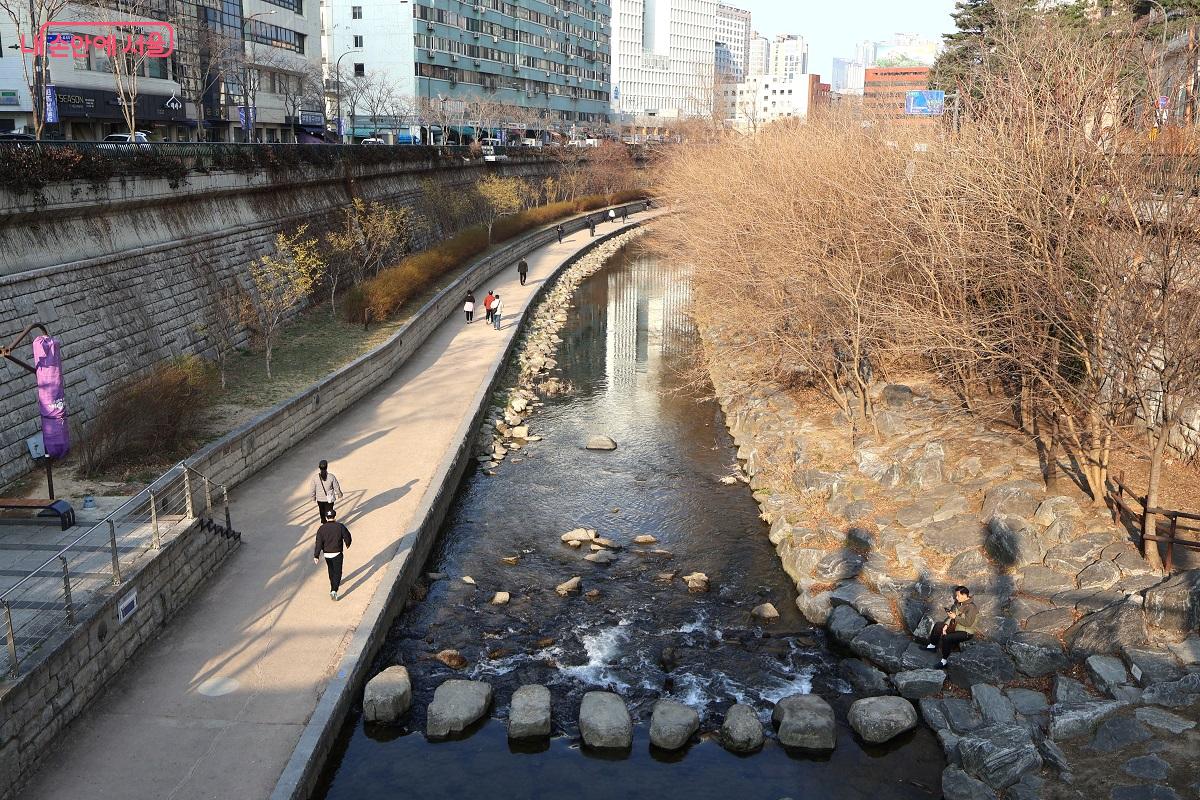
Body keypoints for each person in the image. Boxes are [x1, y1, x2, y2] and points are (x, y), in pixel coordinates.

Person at [926, 585, 978, 666]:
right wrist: (946, 625)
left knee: (947, 638)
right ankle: (932, 646)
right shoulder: (958, 603)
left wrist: (955, 617)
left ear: (964, 595)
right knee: (938, 625)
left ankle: (944, 661)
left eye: (958, 596)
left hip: (966, 632)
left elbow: (968, 623)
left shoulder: (972, 607)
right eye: (956, 595)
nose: (956, 598)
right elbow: (951, 616)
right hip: (955, 627)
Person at [313, 508, 352, 601]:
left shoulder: (321, 528)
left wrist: (316, 555)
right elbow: (347, 536)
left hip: (327, 554)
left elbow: (318, 542)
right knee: (338, 572)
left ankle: (333, 583)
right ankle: (334, 590)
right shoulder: (340, 526)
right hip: (337, 553)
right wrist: (347, 543)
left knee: (331, 570)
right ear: (334, 517)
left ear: (326, 518)